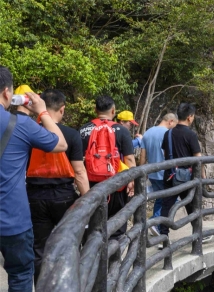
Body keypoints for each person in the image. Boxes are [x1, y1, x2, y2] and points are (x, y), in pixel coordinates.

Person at [0, 66, 67, 292]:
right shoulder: (20, 124)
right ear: (7, 93)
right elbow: (60, 144)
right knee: (19, 276)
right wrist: (42, 112)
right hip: (12, 220)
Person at [26, 89, 90, 284]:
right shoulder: (71, 135)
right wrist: (88, 200)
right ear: (62, 110)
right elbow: (79, 172)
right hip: (64, 196)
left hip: (34, 196)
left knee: (39, 249)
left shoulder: (27, 131)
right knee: (69, 245)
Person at [80, 96, 136, 238]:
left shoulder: (83, 130)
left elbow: (78, 161)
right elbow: (129, 158)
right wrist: (132, 180)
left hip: (91, 185)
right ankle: (113, 257)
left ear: (95, 110)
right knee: (116, 223)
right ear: (113, 111)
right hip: (116, 184)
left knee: (93, 224)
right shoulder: (121, 130)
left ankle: (93, 257)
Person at [159, 103, 210, 247]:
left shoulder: (168, 133)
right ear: (189, 117)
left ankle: (163, 237)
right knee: (193, 205)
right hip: (187, 177)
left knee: (166, 206)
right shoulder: (191, 134)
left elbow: (165, 154)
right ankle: (197, 233)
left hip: (170, 175)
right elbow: (197, 158)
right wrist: (203, 176)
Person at [140, 113, 178, 236]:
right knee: (174, 200)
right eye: (174, 126)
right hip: (165, 173)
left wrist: (142, 172)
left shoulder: (147, 132)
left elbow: (143, 156)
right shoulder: (167, 134)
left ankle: (155, 225)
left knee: (159, 200)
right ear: (171, 121)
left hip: (151, 174)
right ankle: (153, 223)